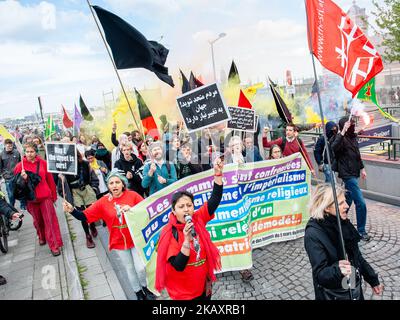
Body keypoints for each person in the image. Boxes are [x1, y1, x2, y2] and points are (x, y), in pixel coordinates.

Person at [63, 171, 155, 300]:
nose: (114, 185)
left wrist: (132, 210)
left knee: (140, 268)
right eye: (111, 183)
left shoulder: (133, 195)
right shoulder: (103, 201)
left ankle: (146, 287)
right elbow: (84, 216)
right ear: (108, 186)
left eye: (117, 182)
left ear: (123, 184)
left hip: (135, 239)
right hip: (118, 241)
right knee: (129, 269)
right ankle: (138, 292)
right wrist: (72, 210)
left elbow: (147, 210)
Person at [155, 157, 224, 300]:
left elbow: (214, 199)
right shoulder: (169, 233)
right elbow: (178, 265)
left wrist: (218, 174)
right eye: (181, 207)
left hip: (204, 285)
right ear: (173, 211)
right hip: (185, 292)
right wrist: (186, 240)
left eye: (189, 205)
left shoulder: (198, 218)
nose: (186, 210)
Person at [304, 183, 383, 300]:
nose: (347, 206)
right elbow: (320, 275)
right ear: (326, 207)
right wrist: (338, 270)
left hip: (351, 286)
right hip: (333, 294)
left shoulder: (343, 223)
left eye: (345, 201)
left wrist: (372, 279)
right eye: (340, 203)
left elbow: (356, 256)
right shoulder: (313, 234)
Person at [14, 142, 63, 256]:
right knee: (38, 221)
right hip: (30, 199)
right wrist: (23, 179)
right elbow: (17, 186)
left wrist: (53, 196)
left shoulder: (43, 163)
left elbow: (50, 179)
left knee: (50, 221)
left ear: (36, 152)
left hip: (45, 197)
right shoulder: (19, 166)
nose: (29, 154)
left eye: (32, 151)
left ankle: (54, 245)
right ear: (24, 153)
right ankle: (41, 235)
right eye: (27, 152)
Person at [331, 117, 370, 241]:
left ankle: (337, 222)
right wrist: (342, 132)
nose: (352, 125)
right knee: (361, 203)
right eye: (350, 124)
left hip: (354, 172)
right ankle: (361, 231)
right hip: (347, 175)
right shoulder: (340, 138)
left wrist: (362, 168)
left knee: (347, 200)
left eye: (353, 124)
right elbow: (334, 148)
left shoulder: (353, 137)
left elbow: (357, 155)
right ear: (344, 126)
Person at [64, 151, 98, 248]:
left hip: (86, 188)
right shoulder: (65, 168)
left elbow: (93, 177)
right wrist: (66, 195)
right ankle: (88, 235)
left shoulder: (85, 163)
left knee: (90, 211)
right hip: (75, 191)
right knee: (82, 213)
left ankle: (92, 225)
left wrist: (94, 188)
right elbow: (61, 185)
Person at [0, 139, 23, 208]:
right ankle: (12, 207)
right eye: (8, 146)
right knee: (10, 194)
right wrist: (4, 175)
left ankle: (23, 205)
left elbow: (20, 163)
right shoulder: (1, 154)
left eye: (11, 146)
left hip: (18, 176)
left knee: (21, 192)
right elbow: (0, 167)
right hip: (8, 178)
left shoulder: (16, 152)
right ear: (5, 145)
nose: (10, 147)